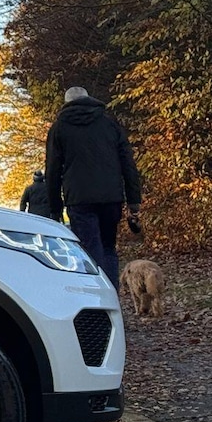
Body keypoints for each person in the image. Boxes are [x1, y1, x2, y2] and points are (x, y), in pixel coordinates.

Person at [45, 86, 142, 283]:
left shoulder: (59, 128)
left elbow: (52, 171)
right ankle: (112, 296)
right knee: (108, 247)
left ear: (66, 103)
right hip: (111, 196)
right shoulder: (109, 125)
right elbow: (128, 163)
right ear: (89, 98)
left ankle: (98, 298)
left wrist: (55, 209)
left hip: (78, 199)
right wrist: (134, 200)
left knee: (89, 249)